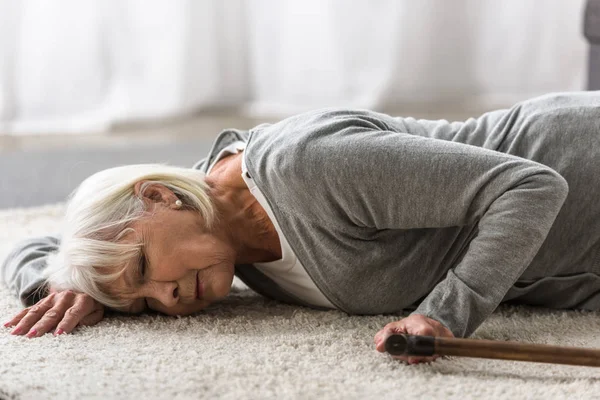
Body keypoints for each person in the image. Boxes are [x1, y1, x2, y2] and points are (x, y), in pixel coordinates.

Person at [2, 91, 600, 365]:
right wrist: (76, 285)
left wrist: (446, 314)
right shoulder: (208, 232)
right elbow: (34, 245)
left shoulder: (305, 167)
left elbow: (530, 187)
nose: (167, 296)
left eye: (142, 270)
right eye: (146, 307)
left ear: (158, 195)